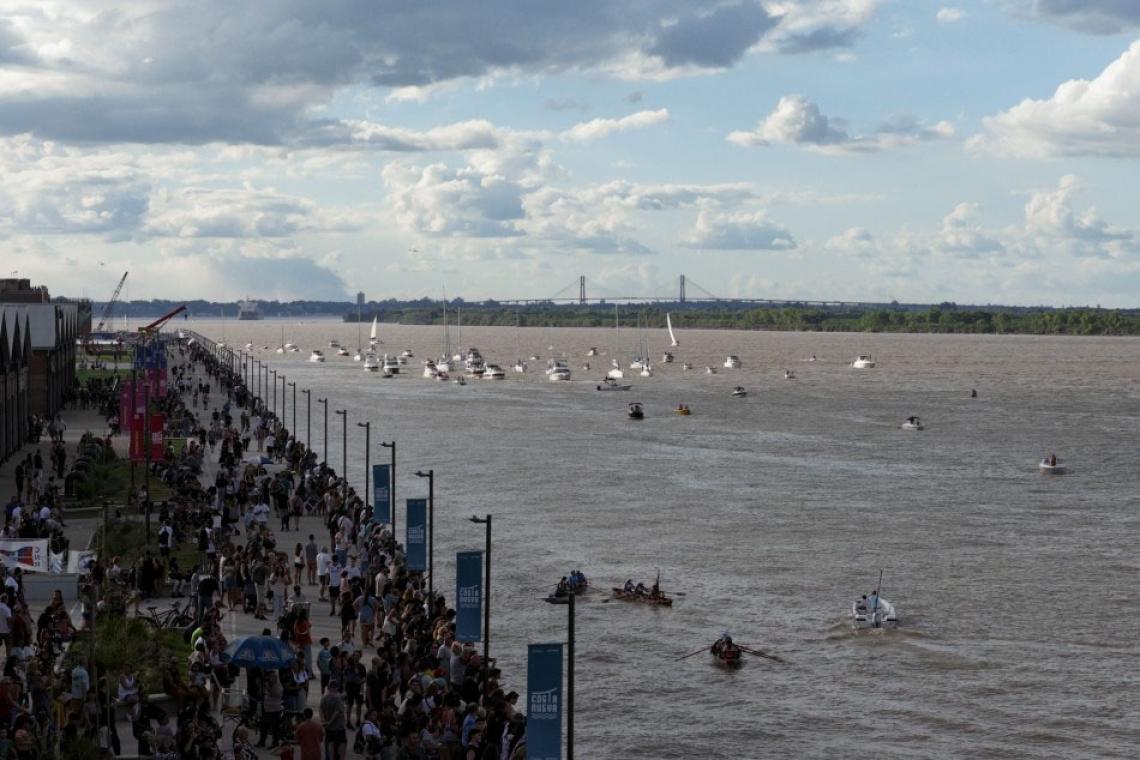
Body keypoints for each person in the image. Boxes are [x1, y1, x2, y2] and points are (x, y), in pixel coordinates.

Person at [320, 681, 348, 760]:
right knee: (340, 749)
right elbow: (337, 712)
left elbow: (321, 710)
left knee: (328, 748)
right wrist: (330, 722)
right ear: (337, 688)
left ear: (328, 688)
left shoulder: (324, 697)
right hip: (338, 728)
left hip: (328, 729)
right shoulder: (338, 698)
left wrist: (323, 721)